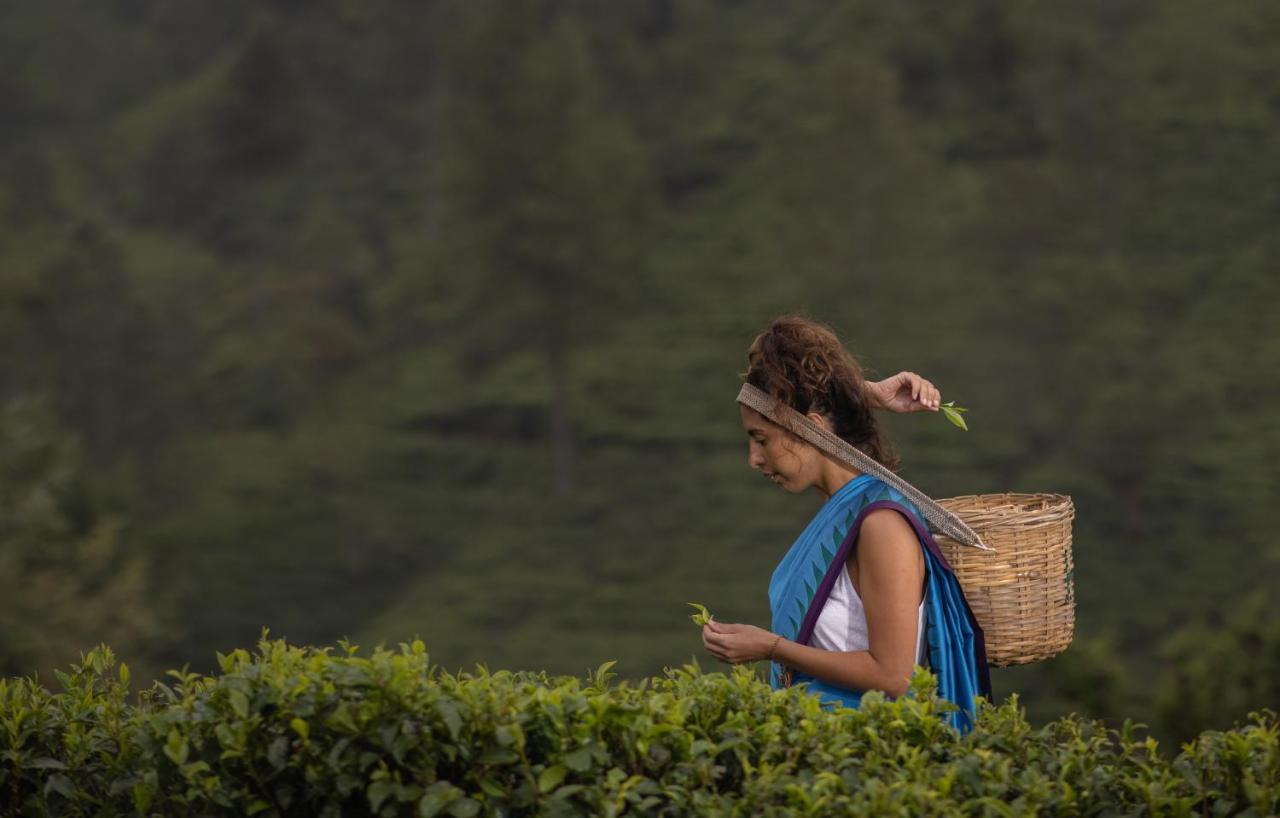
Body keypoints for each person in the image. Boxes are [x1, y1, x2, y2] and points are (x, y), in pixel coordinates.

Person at [701, 315, 991, 730]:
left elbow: (892, 676)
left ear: (810, 429)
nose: (754, 459)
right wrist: (859, 393)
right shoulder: (847, 513)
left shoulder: (881, 526)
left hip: (867, 754)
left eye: (760, 438)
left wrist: (772, 647)